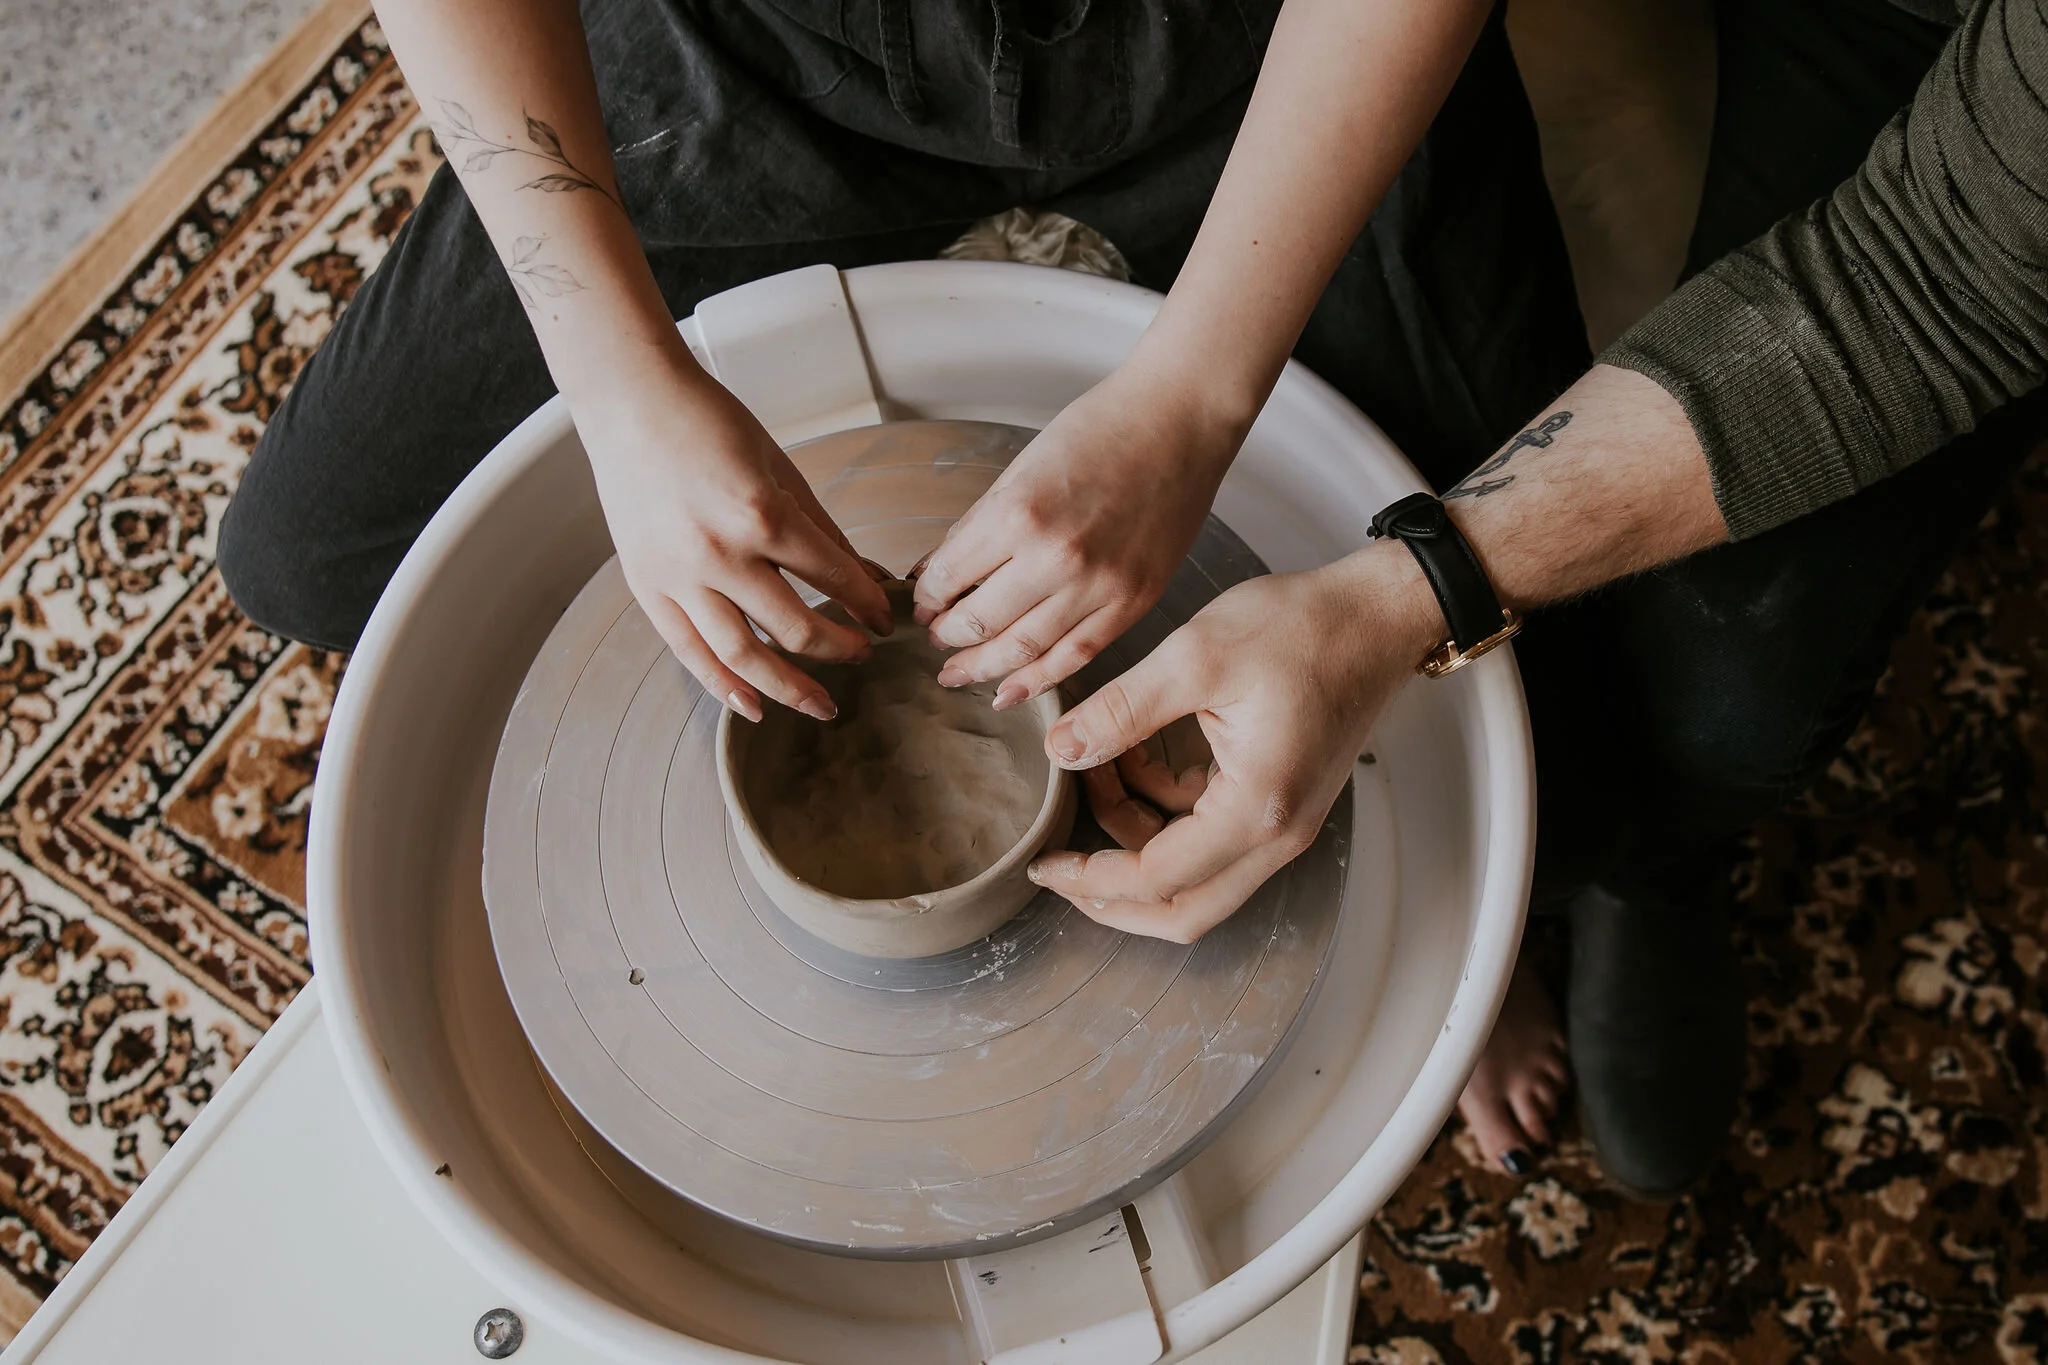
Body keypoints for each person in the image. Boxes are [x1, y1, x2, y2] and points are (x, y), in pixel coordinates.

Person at [217, 0, 2044, 1196]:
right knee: (306, 555)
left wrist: (1197, 394)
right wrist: (616, 379)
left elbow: (1937, 277)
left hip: (1246, 49)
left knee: (1587, 696)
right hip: (755, 54)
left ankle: (1575, 886)